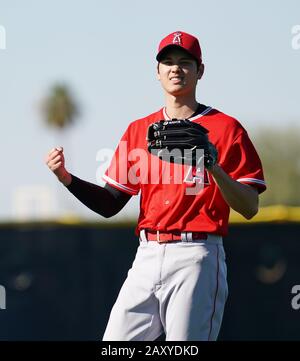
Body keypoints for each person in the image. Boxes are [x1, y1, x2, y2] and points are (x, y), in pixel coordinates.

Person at [45, 31, 266, 341]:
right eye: (168, 62)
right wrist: (68, 179)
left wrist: (212, 166)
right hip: (147, 256)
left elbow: (249, 207)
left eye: (185, 62)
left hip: (196, 255)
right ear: (158, 71)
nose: (176, 69)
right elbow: (111, 204)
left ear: (199, 70)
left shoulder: (225, 128)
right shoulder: (139, 130)